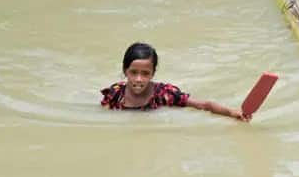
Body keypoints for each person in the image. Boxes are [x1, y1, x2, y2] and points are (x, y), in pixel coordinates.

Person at [101, 42, 249, 121]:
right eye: (133, 73)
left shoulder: (164, 94)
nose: (139, 79)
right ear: (125, 70)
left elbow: (204, 105)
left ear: (153, 73)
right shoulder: (115, 93)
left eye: (145, 73)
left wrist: (232, 113)